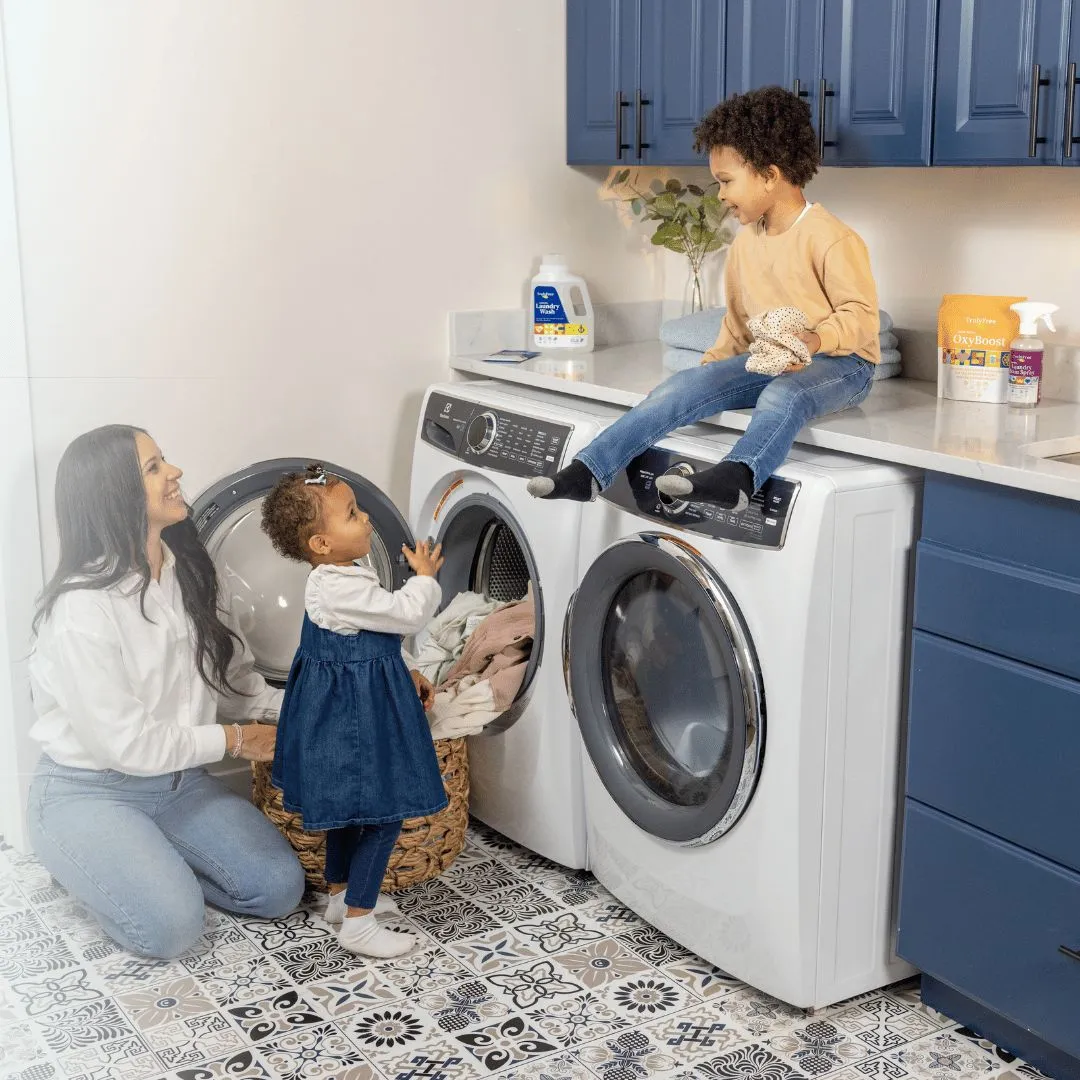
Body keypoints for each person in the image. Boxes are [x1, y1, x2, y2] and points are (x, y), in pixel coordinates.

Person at [529, 85, 880, 511]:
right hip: (772, 359)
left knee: (783, 396)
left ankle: (738, 477)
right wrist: (708, 378)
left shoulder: (831, 237)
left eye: (726, 181)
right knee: (682, 385)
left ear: (770, 176)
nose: (720, 195)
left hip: (844, 365)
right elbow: (737, 325)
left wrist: (815, 339)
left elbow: (862, 317)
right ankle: (589, 471)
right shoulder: (745, 242)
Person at [26, 426, 305, 960]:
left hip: (178, 784)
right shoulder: (82, 609)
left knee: (278, 889)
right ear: (116, 495)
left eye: (164, 460)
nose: (174, 473)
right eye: (153, 468)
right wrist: (235, 740)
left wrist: (332, 705)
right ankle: (91, 858)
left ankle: (146, 865)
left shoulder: (192, 575)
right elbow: (127, 745)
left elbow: (237, 687)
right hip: (90, 790)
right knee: (171, 931)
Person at [259, 464, 445, 959]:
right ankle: (360, 925)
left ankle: (341, 898)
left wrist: (408, 667)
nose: (365, 519)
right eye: (351, 514)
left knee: (348, 814)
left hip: (350, 712)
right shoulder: (339, 586)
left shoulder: (340, 579)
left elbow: (374, 631)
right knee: (384, 813)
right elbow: (406, 614)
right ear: (321, 544)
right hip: (356, 721)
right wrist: (425, 579)